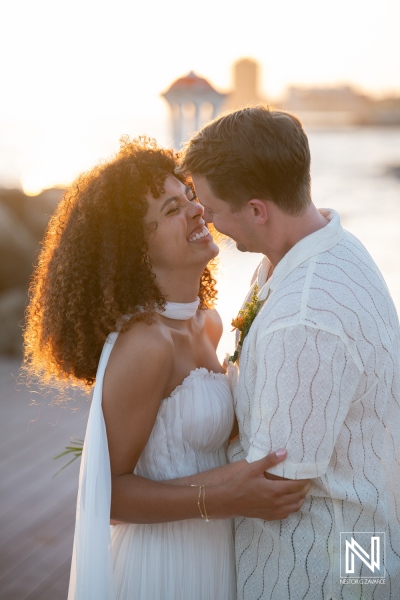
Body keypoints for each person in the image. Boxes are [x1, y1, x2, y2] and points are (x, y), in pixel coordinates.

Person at [23, 137, 310, 600]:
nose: (197, 211)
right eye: (172, 209)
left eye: (191, 197)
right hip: (162, 568)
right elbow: (109, 497)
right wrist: (220, 498)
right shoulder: (145, 344)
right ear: (137, 245)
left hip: (216, 554)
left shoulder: (210, 324)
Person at [179, 106, 400, 599]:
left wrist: (168, 453)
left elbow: (275, 484)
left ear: (257, 210)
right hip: (365, 541)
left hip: (320, 574)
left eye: (213, 208)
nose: (207, 219)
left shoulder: (304, 316)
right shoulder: (331, 244)